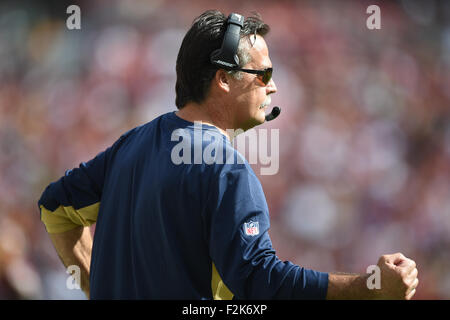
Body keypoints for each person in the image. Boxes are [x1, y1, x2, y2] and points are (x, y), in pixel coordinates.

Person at [38, 10, 419, 299]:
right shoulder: (225, 168)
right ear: (223, 79)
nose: (273, 88)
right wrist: (368, 288)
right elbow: (256, 278)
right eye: (264, 74)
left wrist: (96, 284)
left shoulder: (130, 145)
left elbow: (54, 207)